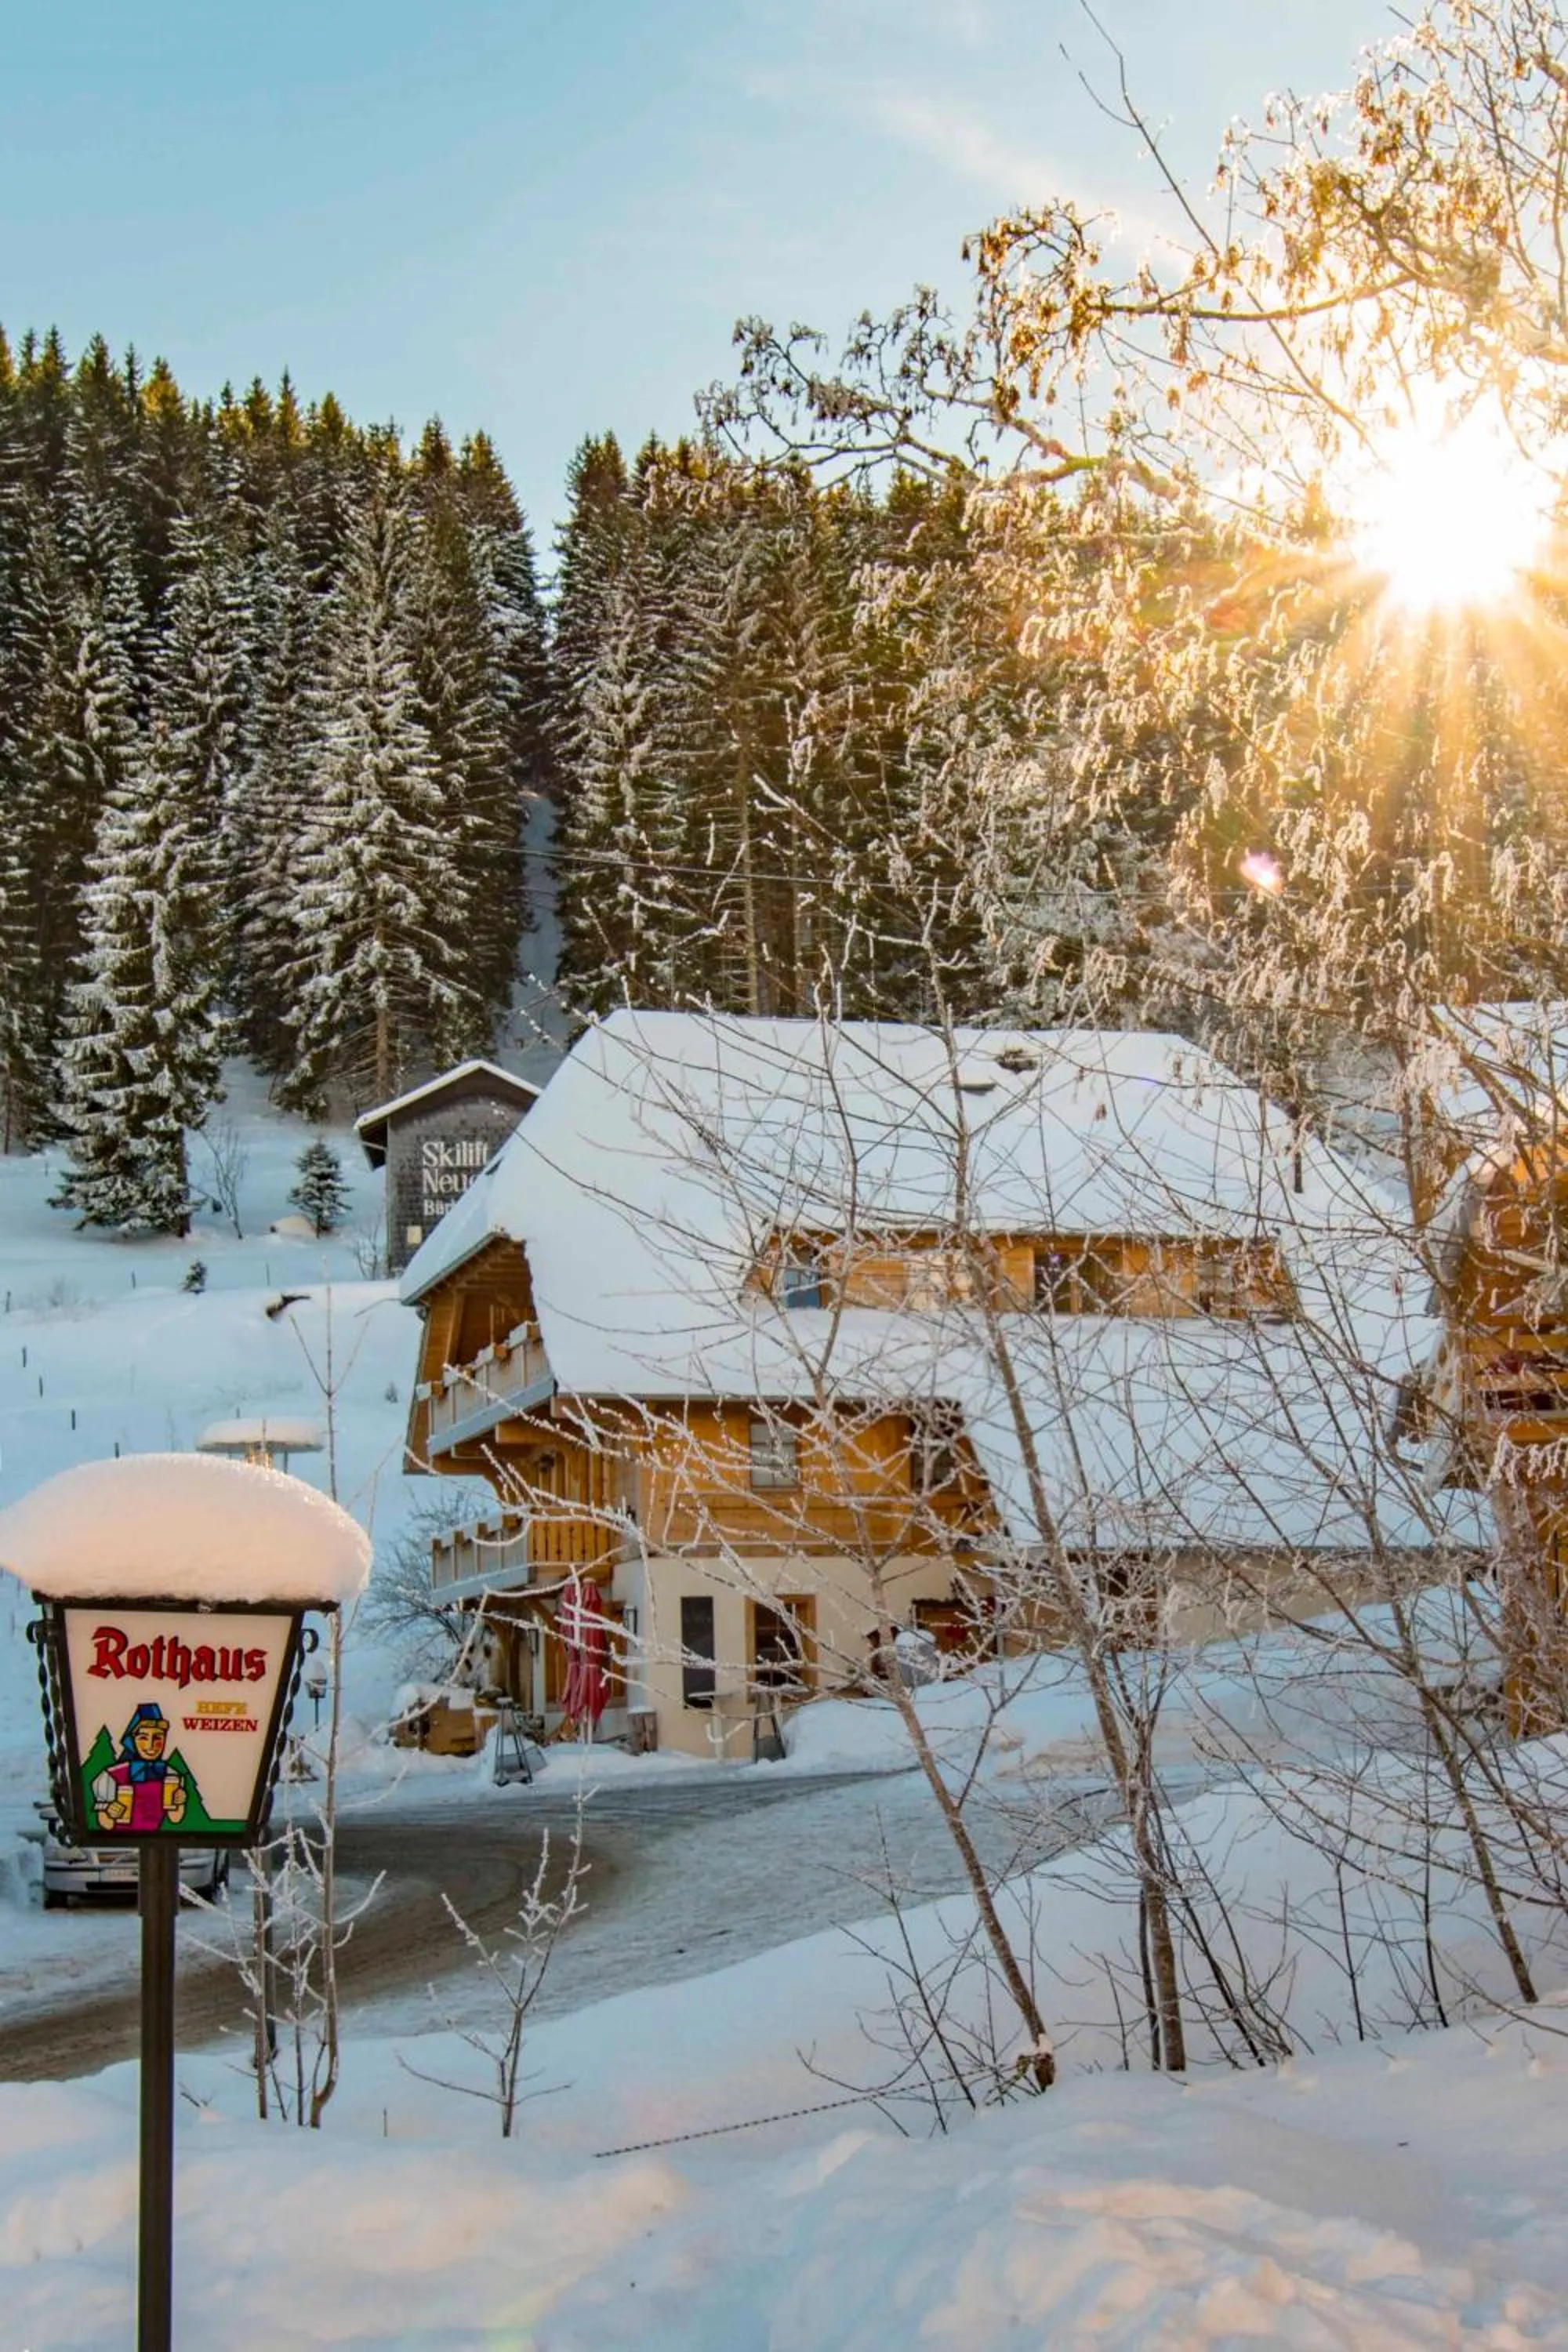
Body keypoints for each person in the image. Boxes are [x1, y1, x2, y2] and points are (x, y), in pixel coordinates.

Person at [93, 1703, 190, 1833]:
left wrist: (180, 1802)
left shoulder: (171, 1775)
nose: (151, 1745)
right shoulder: (111, 1776)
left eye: (158, 1737)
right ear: (132, 1740)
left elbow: (175, 1818)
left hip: (158, 1838)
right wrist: (110, 1812)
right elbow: (106, 1824)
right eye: (143, 1738)